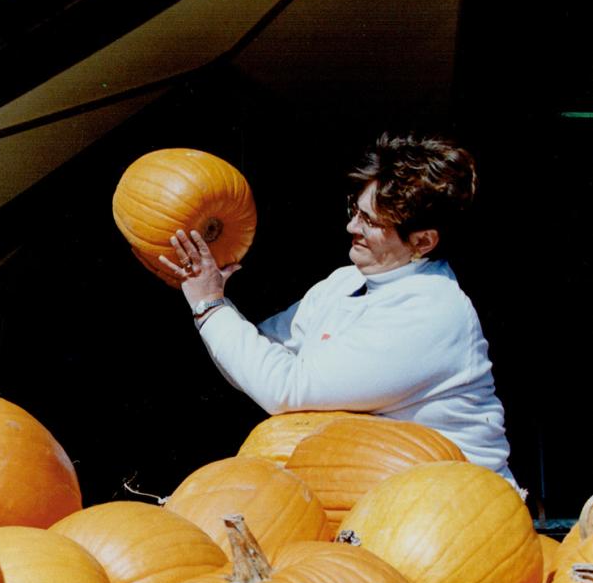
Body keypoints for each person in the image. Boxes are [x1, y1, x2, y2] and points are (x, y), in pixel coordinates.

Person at [160, 132, 516, 486]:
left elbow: (285, 389)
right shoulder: (344, 282)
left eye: (370, 222)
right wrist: (213, 294)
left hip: (453, 506)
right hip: (383, 493)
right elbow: (255, 360)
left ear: (422, 241)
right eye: (355, 210)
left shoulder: (432, 311)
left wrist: (209, 306)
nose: (351, 226)